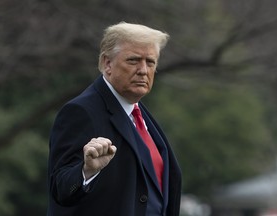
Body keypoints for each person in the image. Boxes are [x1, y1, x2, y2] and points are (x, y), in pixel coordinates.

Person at [47, 21, 182, 216]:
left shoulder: (141, 114)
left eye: (150, 62)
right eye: (133, 60)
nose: (143, 70)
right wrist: (86, 171)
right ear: (107, 63)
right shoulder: (80, 111)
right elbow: (60, 189)